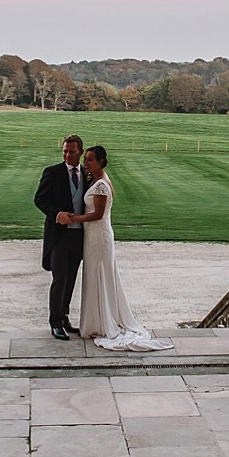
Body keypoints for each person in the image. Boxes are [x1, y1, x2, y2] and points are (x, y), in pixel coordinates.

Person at [56, 144, 172, 352]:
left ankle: (101, 323)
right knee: (94, 276)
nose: (86, 163)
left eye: (91, 159)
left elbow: (97, 214)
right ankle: (97, 321)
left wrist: (72, 219)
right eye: (87, 159)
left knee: (99, 275)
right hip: (93, 236)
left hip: (98, 236)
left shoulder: (101, 185)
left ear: (101, 161)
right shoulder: (96, 179)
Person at [34, 134, 86, 339]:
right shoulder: (52, 172)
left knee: (71, 278)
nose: (67, 155)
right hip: (58, 236)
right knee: (59, 278)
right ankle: (55, 322)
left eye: (71, 152)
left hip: (79, 236)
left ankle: (64, 317)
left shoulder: (87, 174)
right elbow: (40, 200)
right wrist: (57, 215)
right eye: (65, 151)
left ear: (80, 152)